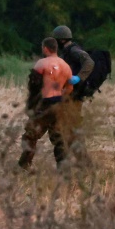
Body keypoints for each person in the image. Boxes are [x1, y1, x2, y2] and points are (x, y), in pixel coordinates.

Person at [18, 37, 74, 170]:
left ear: (45, 48)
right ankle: (63, 168)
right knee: (59, 137)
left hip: (44, 105)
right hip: (59, 105)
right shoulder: (65, 66)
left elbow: (33, 85)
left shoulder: (42, 63)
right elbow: (70, 87)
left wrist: (31, 105)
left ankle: (24, 166)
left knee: (30, 135)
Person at [51, 25, 95, 162]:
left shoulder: (74, 51)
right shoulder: (66, 51)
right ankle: (80, 161)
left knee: (70, 129)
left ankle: (81, 161)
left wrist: (79, 78)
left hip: (74, 97)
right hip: (67, 95)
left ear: (62, 39)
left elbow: (89, 62)